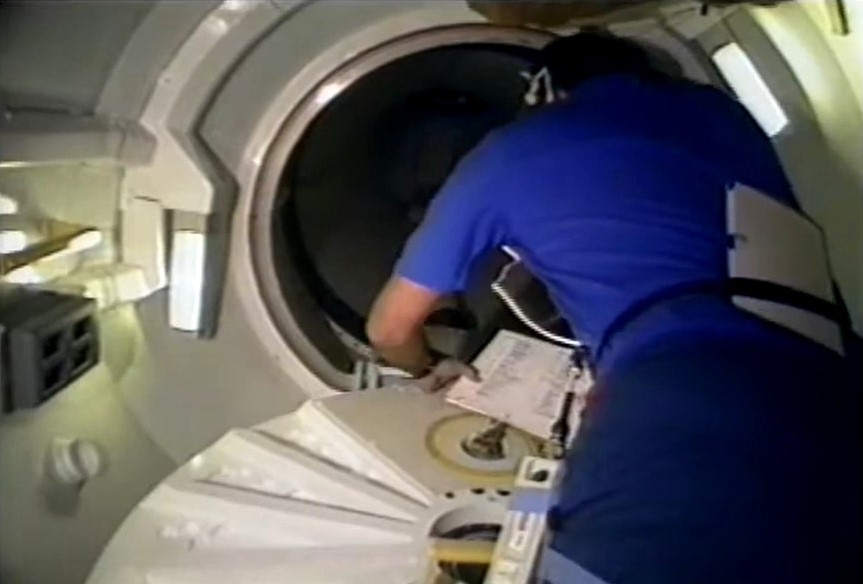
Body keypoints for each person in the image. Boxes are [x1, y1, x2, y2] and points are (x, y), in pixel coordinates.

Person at [367, 31, 860, 583]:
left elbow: (390, 328)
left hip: (683, 390)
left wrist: (429, 367)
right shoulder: (724, 111)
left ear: (543, 89)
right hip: (832, 360)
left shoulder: (510, 152)